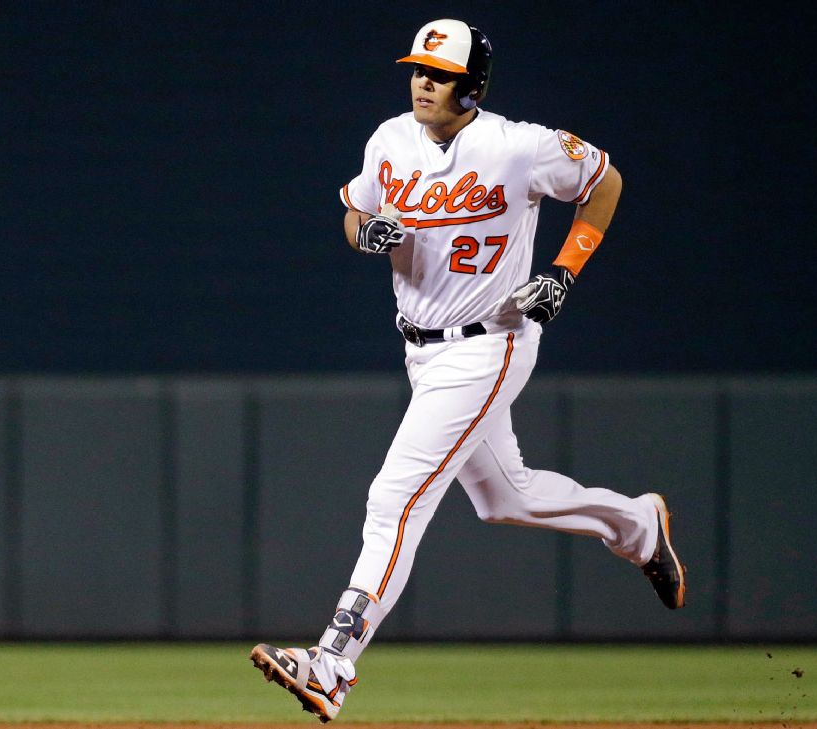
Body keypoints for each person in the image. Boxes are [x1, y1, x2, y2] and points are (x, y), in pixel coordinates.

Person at [249, 19, 686, 723]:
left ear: (471, 84)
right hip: (421, 348)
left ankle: (331, 662)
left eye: (439, 72)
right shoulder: (389, 139)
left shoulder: (518, 146)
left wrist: (564, 272)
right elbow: (354, 214)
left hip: (492, 341)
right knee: (504, 497)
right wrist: (368, 235)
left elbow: (604, 180)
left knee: (395, 495)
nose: (423, 80)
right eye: (418, 68)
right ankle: (636, 524)